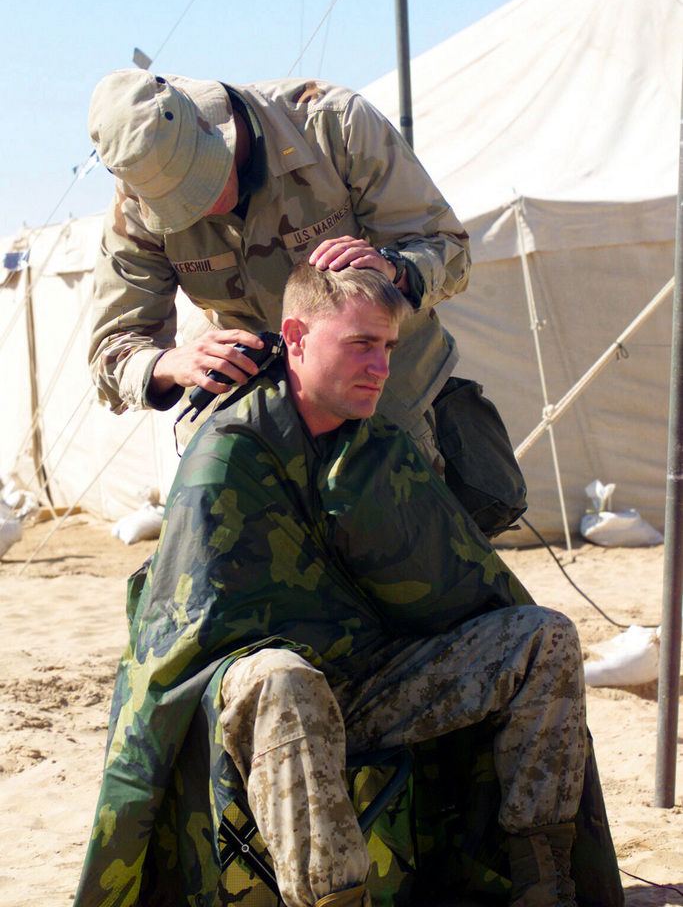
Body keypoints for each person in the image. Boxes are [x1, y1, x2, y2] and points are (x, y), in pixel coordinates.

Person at [73, 265, 622, 907]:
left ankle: (542, 885)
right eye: (360, 343)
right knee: (284, 680)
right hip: (262, 708)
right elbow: (185, 649)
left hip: (369, 683)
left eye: (388, 347)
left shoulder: (380, 448)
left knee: (542, 638)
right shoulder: (227, 456)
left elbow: (460, 584)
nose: (381, 367)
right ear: (297, 337)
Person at [86, 68, 472, 458]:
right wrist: (167, 364)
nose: (203, 208)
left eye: (203, 179)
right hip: (254, 429)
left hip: (384, 403)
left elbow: (450, 251)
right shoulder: (135, 207)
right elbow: (112, 353)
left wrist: (395, 269)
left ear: (218, 129)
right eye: (180, 205)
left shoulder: (332, 125)